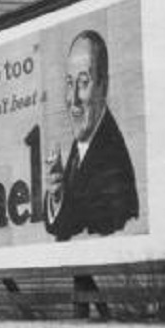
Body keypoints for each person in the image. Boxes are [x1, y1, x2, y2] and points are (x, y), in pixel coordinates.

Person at [45, 30, 139, 241]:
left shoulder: (111, 161)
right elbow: (64, 226)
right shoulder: (84, 143)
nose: (73, 99)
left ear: (103, 87)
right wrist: (57, 194)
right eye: (70, 83)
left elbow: (89, 230)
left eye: (83, 83)